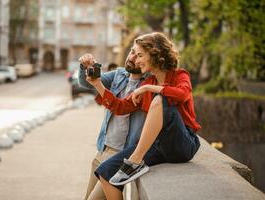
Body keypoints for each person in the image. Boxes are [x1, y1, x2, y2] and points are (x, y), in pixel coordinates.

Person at [86, 32, 201, 200]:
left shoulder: (179, 76)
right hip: (157, 146)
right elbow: (121, 106)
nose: (136, 60)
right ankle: (135, 162)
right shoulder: (148, 84)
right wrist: (98, 84)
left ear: (156, 55)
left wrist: (149, 89)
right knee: (105, 173)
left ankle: (135, 161)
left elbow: (182, 94)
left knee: (160, 100)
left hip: (182, 144)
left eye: (140, 55)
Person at [78, 48, 148, 200]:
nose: (132, 57)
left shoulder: (148, 85)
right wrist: (86, 67)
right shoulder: (119, 74)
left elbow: (119, 107)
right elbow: (87, 83)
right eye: (132, 52)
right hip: (103, 149)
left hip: (121, 154)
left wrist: (98, 85)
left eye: (139, 55)